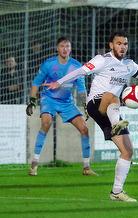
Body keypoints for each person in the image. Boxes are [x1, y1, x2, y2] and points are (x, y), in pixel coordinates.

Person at [43, 30, 138, 202]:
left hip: (111, 109)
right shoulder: (102, 60)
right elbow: (80, 71)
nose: (122, 47)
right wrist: (59, 82)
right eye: (119, 43)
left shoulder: (129, 65)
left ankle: (116, 192)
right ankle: (116, 123)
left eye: (125, 44)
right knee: (113, 95)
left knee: (128, 151)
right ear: (111, 45)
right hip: (96, 104)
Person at [26, 37, 97, 177]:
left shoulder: (77, 66)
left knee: (84, 129)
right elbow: (36, 83)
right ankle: (34, 164)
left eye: (68, 46)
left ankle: (87, 167)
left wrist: (85, 106)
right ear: (57, 48)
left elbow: (81, 89)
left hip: (67, 103)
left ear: (70, 49)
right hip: (49, 99)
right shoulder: (49, 64)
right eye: (62, 46)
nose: (65, 49)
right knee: (46, 123)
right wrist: (32, 101)